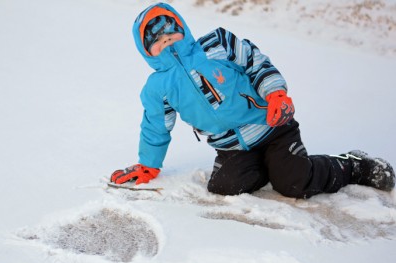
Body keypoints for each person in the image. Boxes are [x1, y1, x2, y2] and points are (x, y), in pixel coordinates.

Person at [110, 2, 394, 198]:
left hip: (272, 127)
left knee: (294, 182)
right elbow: (156, 126)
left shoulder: (216, 44)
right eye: (156, 39)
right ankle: (270, 166)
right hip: (234, 147)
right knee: (224, 187)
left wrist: (275, 94)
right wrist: (149, 164)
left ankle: (354, 164)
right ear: (146, 50)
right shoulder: (157, 87)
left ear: (182, 27)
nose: (167, 39)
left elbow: (257, 63)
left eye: (171, 30)